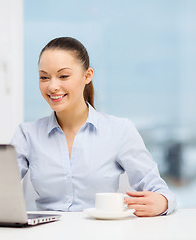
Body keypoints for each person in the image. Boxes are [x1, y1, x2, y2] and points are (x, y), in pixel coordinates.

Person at [11, 37, 176, 217]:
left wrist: (162, 201)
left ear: (87, 76)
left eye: (63, 76)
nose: (52, 86)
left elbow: (158, 189)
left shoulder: (119, 130)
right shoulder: (27, 134)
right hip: (47, 232)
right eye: (44, 77)